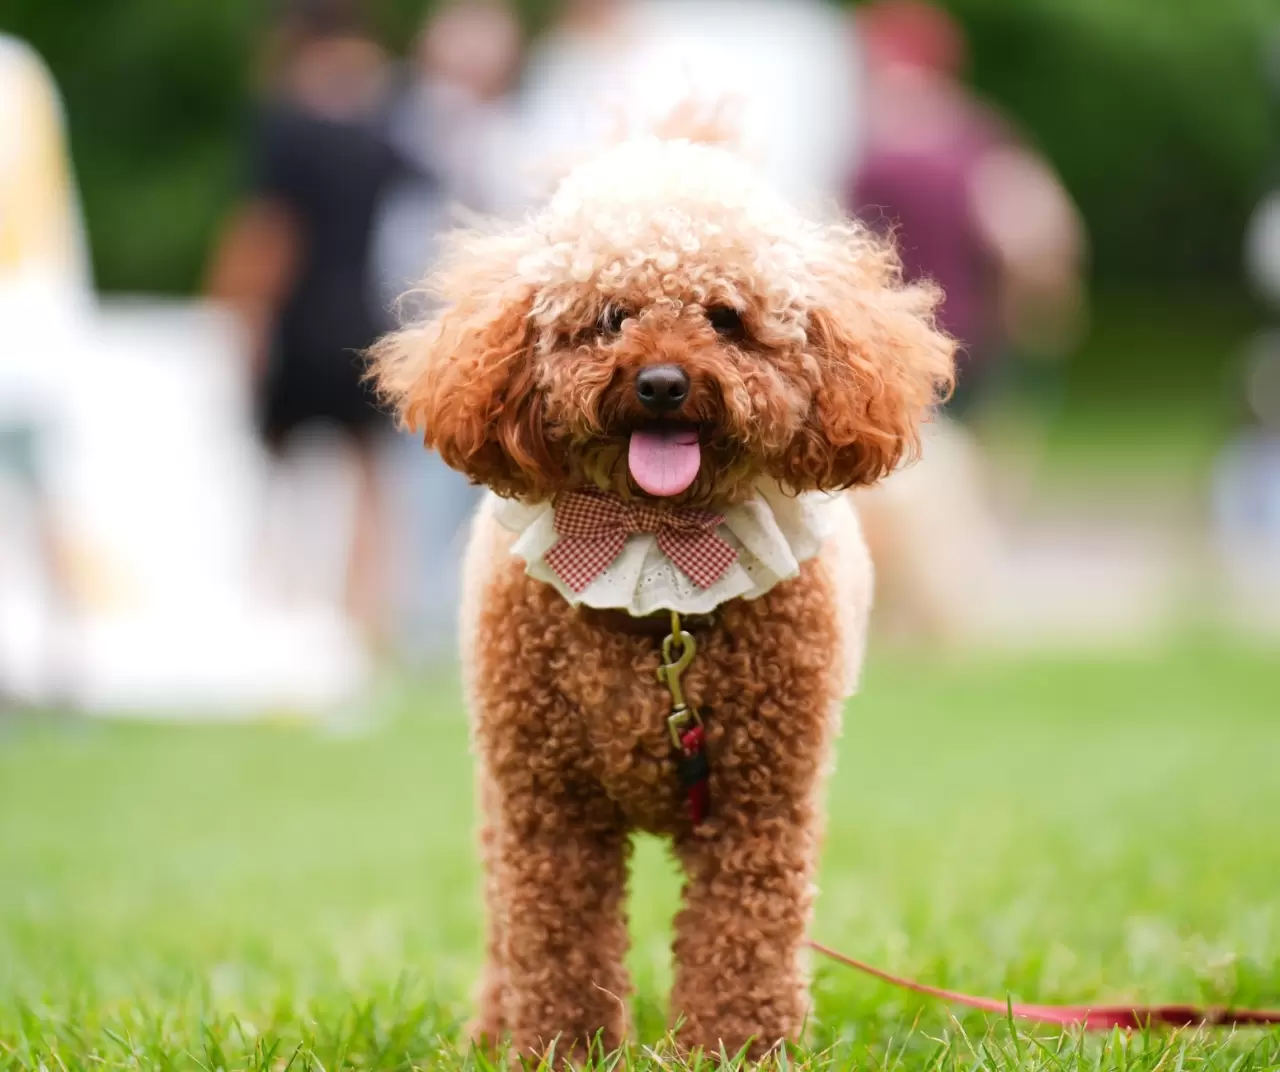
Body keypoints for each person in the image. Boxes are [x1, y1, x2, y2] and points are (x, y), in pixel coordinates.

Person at [206, 0, 416, 650]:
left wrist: (242, 319)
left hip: (299, 322)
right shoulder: (379, 127)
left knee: (276, 476)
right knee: (370, 482)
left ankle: (278, 615)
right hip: (363, 316)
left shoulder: (285, 126)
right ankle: (367, 625)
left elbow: (272, 233)